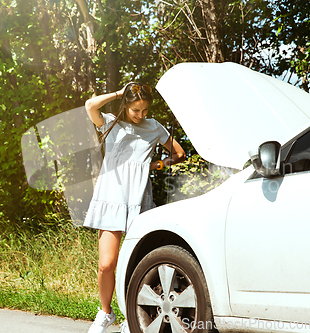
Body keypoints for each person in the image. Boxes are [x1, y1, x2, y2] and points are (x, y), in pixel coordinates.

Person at [83, 82, 186, 333]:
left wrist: (154, 166)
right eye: (135, 110)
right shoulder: (110, 122)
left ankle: (132, 317)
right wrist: (121, 92)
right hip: (110, 197)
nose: (141, 115)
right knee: (106, 264)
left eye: (144, 110)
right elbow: (90, 105)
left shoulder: (154, 128)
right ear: (126, 105)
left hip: (138, 201)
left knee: (135, 263)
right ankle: (105, 313)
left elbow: (179, 154)